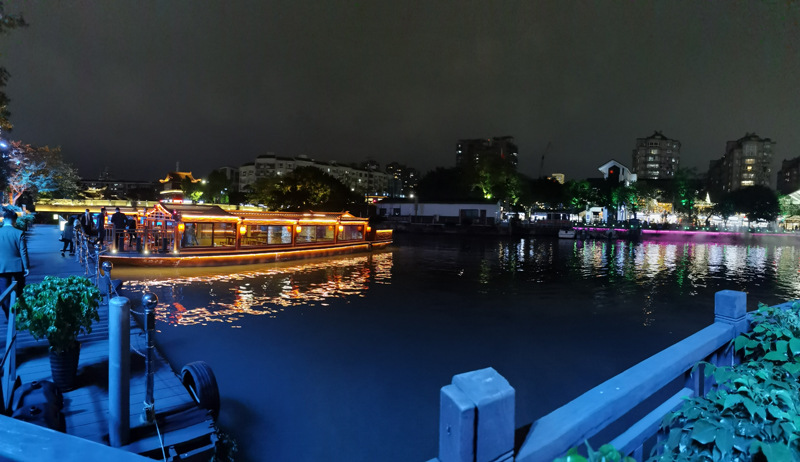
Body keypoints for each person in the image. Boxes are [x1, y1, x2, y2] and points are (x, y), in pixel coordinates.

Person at [0, 209, 29, 320]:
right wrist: (26, 267)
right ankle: (19, 313)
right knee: (20, 290)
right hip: (17, 267)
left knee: (3, 292)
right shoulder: (19, 233)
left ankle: (9, 315)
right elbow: (23, 251)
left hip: (1, 267)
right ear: (15, 221)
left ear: (3, 220)